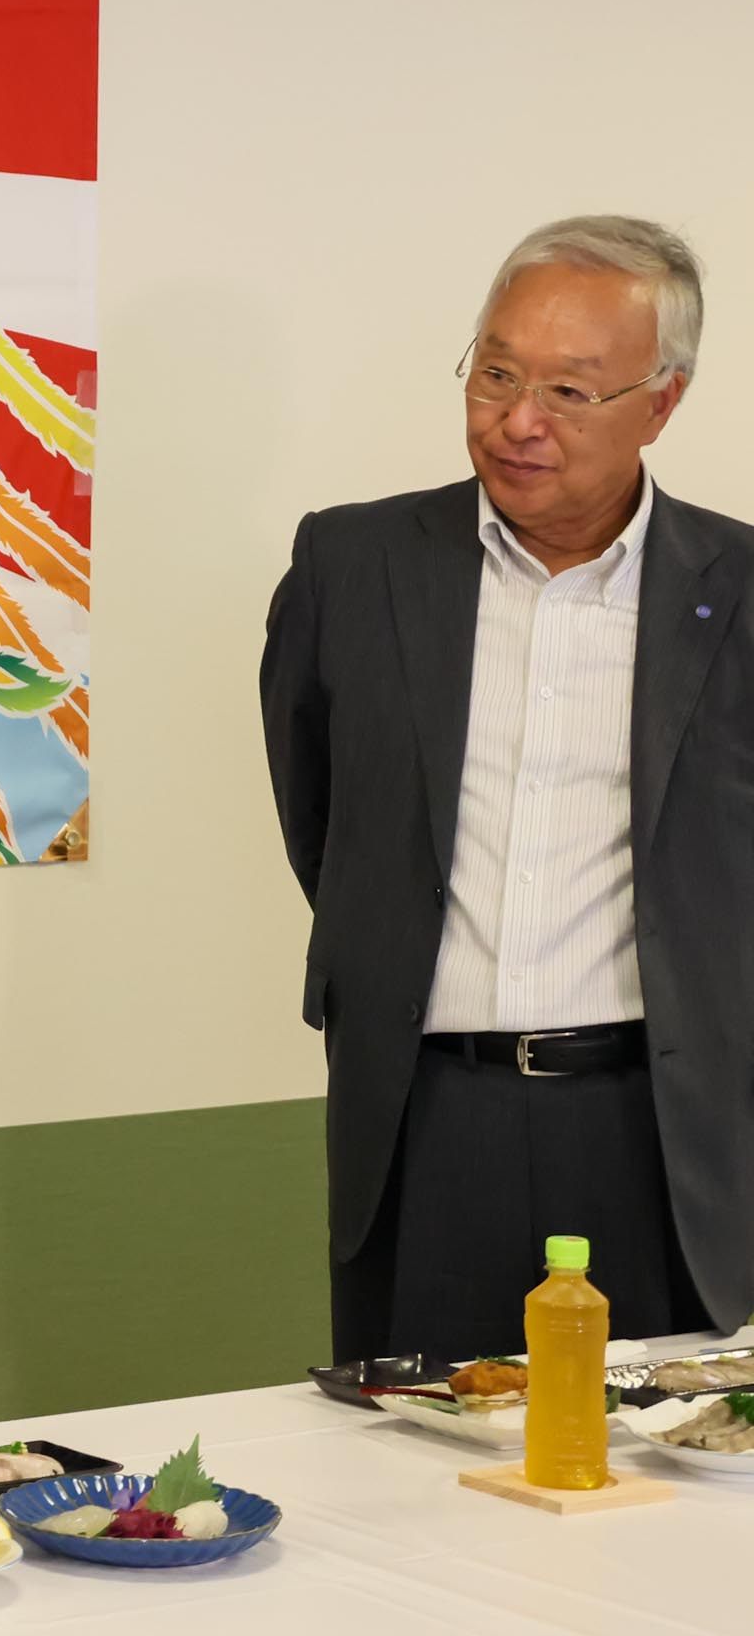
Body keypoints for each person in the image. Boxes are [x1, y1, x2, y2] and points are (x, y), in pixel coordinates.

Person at [261, 215, 751, 1363]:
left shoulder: (736, 590)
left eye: (568, 394)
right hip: (424, 1118)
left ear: (661, 401)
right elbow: (320, 816)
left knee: (660, 1485)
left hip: (658, 1127)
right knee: (406, 1474)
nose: (515, 421)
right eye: (492, 374)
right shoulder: (353, 565)